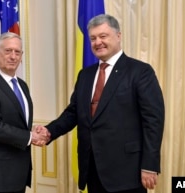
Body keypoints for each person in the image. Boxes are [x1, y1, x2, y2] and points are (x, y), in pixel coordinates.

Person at [35, 14, 165, 193]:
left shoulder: (140, 72)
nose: (98, 42)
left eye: (103, 36)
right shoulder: (85, 75)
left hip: (127, 173)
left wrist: (149, 165)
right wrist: (50, 131)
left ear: (118, 36)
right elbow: (73, 112)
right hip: (92, 169)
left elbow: (153, 121)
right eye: (93, 38)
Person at [0, 32, 47, 193]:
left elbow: (16, 121)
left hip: (19, 173)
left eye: (17, 52)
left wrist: (32, 130)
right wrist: (30, 137)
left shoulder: (22, 85)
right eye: (8, 51)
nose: (13, 56)